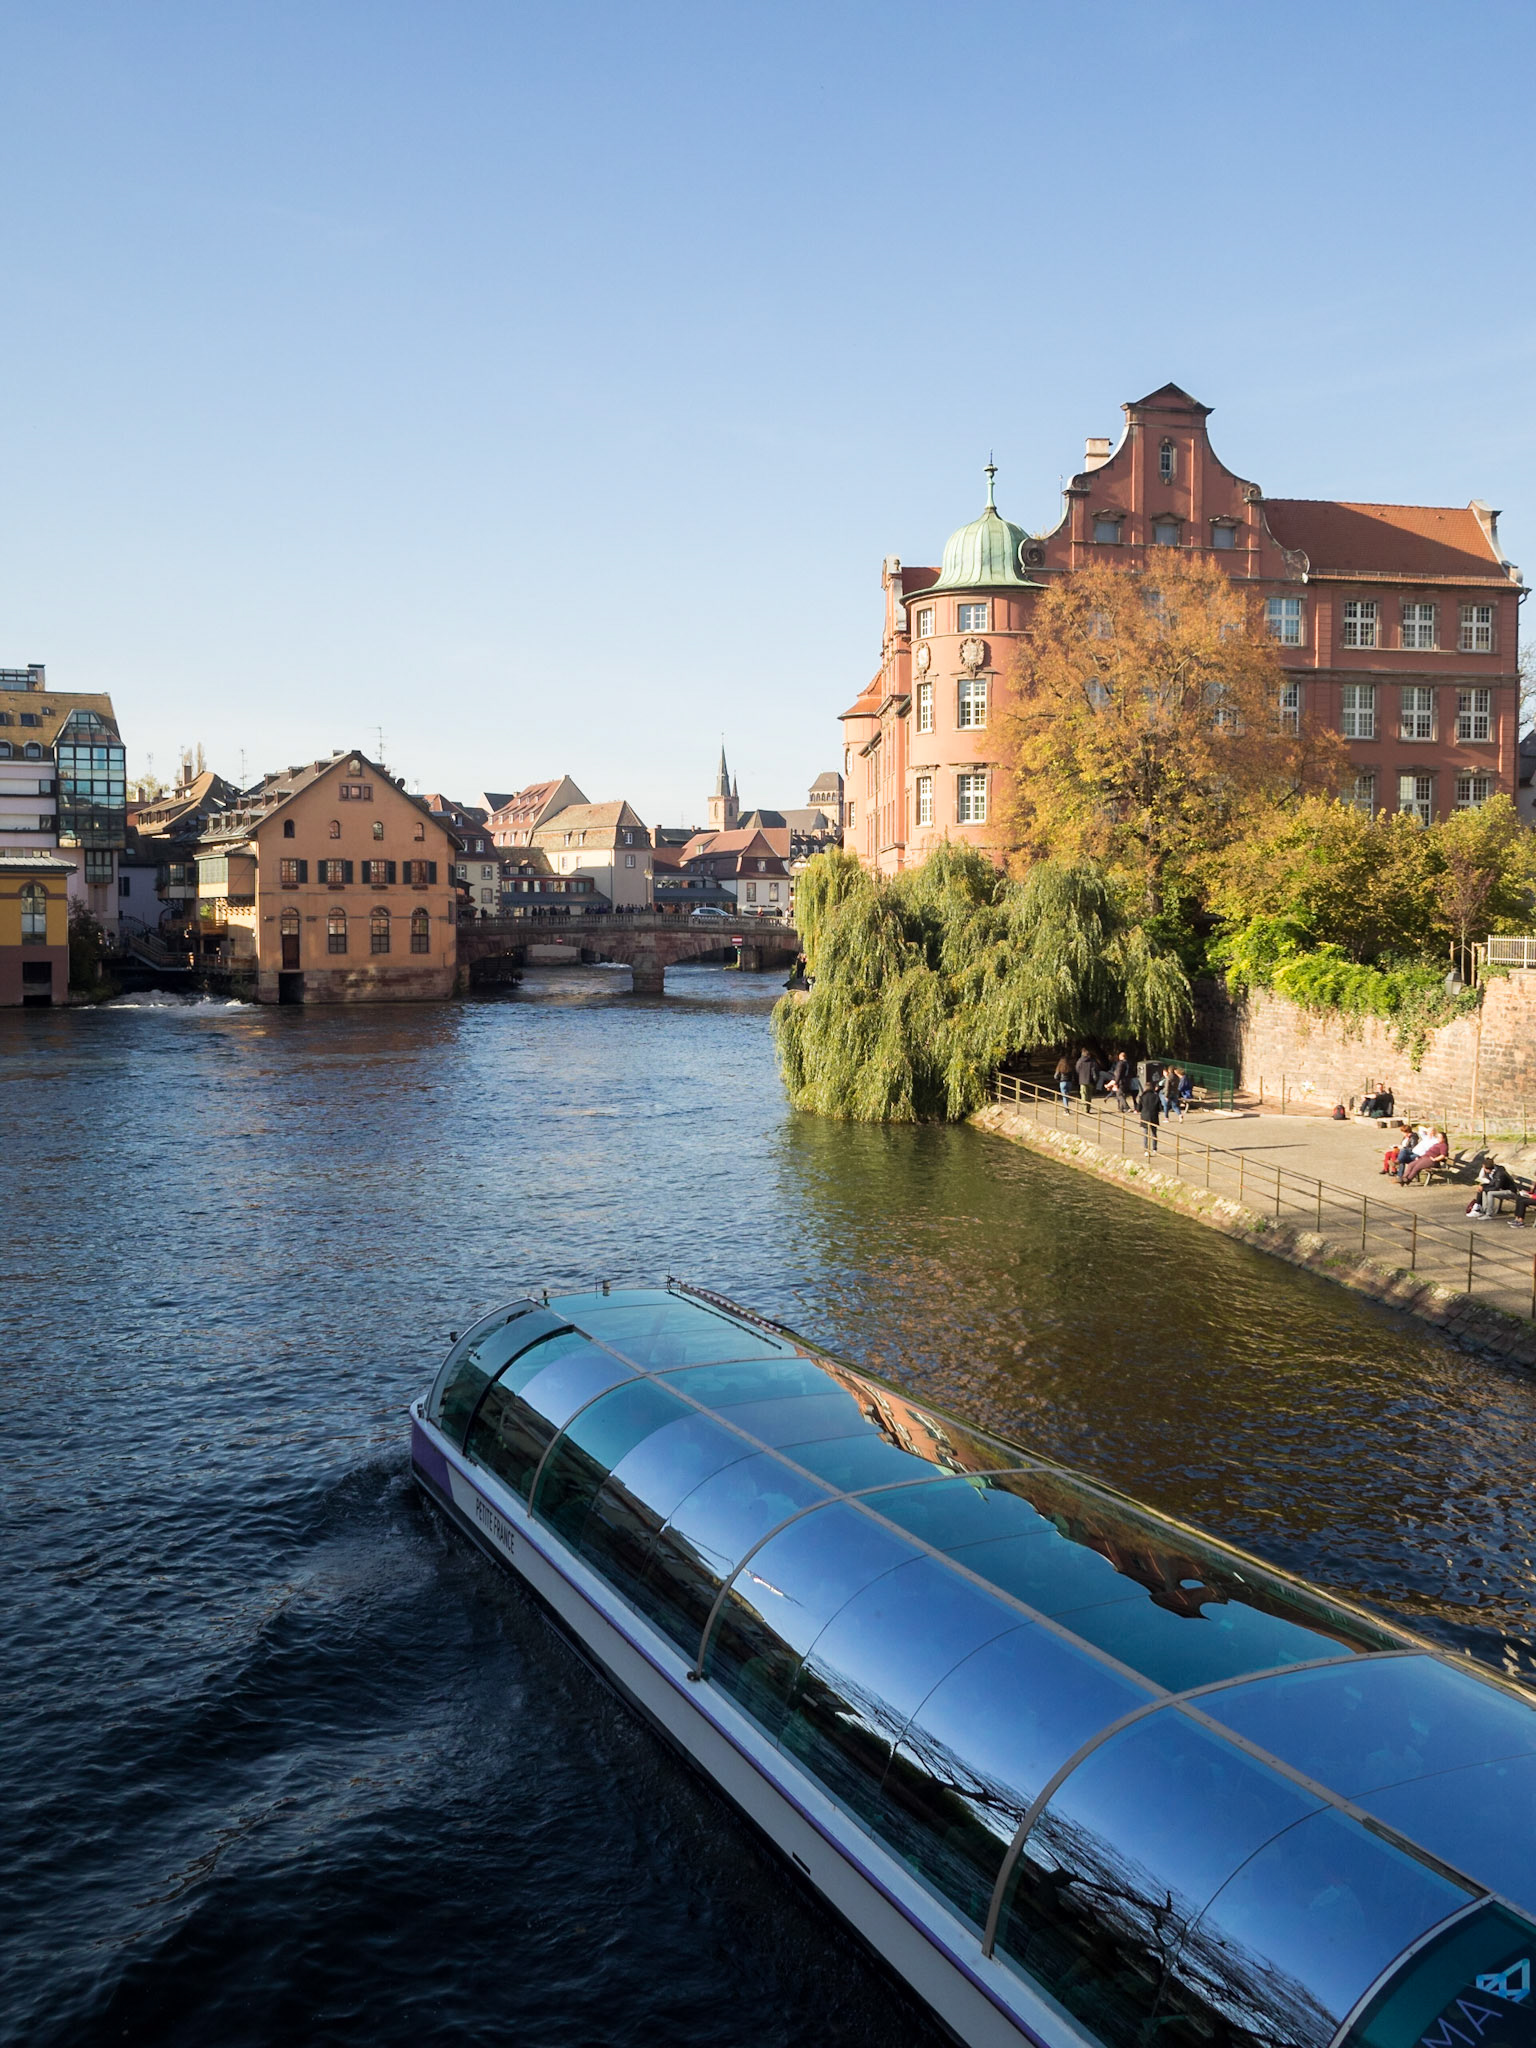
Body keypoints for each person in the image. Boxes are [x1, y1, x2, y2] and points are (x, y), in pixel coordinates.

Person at [1139, 1078, 1161, 1154]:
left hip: (1145, 1116)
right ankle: (1154, 1149)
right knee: (1154, 1133)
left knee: (1145, 1133)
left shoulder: (1142, 1096)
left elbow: (1139, 1108)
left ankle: (1146, 1149)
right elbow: (1160, 1108)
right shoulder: (1156, 1096)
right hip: (1154, 1116)